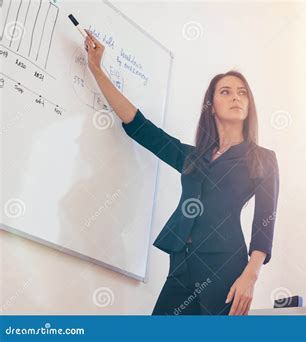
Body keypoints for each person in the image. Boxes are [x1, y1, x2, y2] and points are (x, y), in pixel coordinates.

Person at [84, 30, 279, 315]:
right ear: (211, 106)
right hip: (181, 264)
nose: (236, 97)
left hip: (225, 266)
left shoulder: (263, 159)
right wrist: (96, 69)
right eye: (226, 91)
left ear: (249, 105)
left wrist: (250, 276)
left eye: (242, 93)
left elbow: (264, 221)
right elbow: (141, 127)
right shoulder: (193, 157)